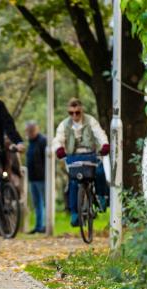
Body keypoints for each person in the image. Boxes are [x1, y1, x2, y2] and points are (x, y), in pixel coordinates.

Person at [51, 98, 110, 226]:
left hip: (90, 154)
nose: (74, 115)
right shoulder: (64, 125)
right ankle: (74, 213)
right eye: (71, 113)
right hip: (73, 156)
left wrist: (105, 145)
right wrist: (59, 149)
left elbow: (100, 134)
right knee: (73, 182)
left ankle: (101, 197)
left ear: (81, 110)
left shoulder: (90, 121)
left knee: (99, 172)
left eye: (77, 112)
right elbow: (58, 139)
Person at [25, 121, 47, 234]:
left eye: (32, 130)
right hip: (32, 178)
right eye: (28, 130)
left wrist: (46, 174)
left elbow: (47, 160)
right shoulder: (30, 142)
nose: (30, 132)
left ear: (36, 129)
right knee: (36, 204)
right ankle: (38, 226)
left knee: (44, 202)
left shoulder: (43, 141)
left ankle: (46, 226)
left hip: (42, 178)